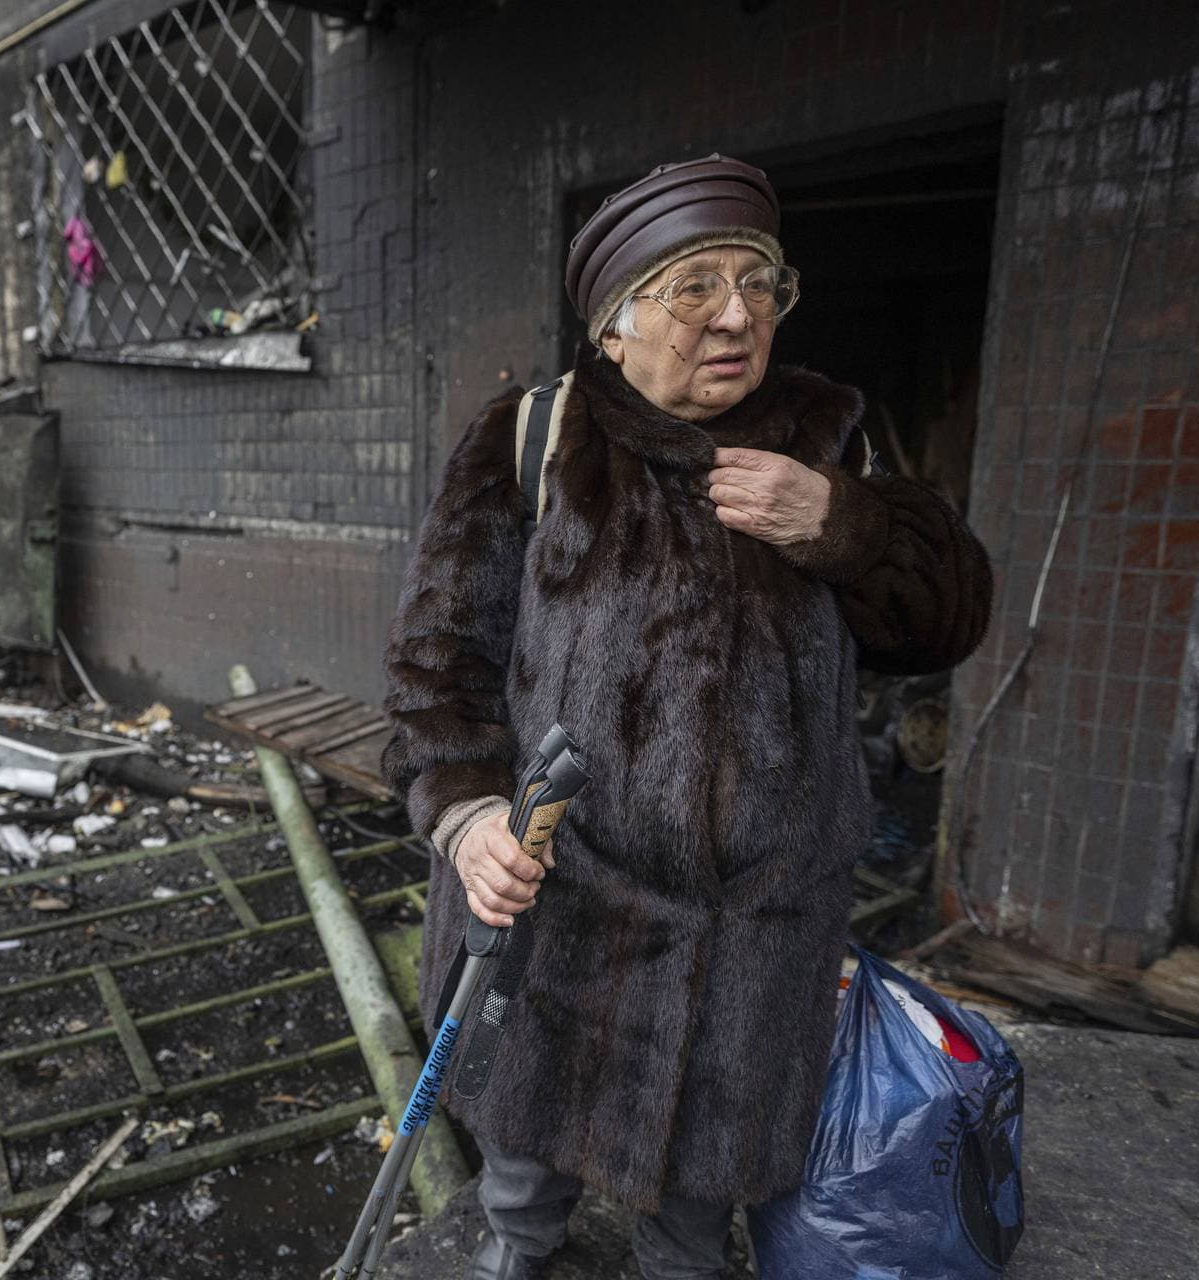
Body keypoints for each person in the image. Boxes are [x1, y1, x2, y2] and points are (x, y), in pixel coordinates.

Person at [380, 155, 993, 1280]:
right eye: (694, 285)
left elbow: (945, 617)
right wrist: (467, 816)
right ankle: (517, 1245)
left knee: (704, 1184)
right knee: (528, 1139)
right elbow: (438, 662)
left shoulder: (826, 441)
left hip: (762, 913)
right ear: (613, 326)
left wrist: (842, 522)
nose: (737, 314)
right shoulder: (535, 438)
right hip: (571, 883)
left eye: (759, 281)